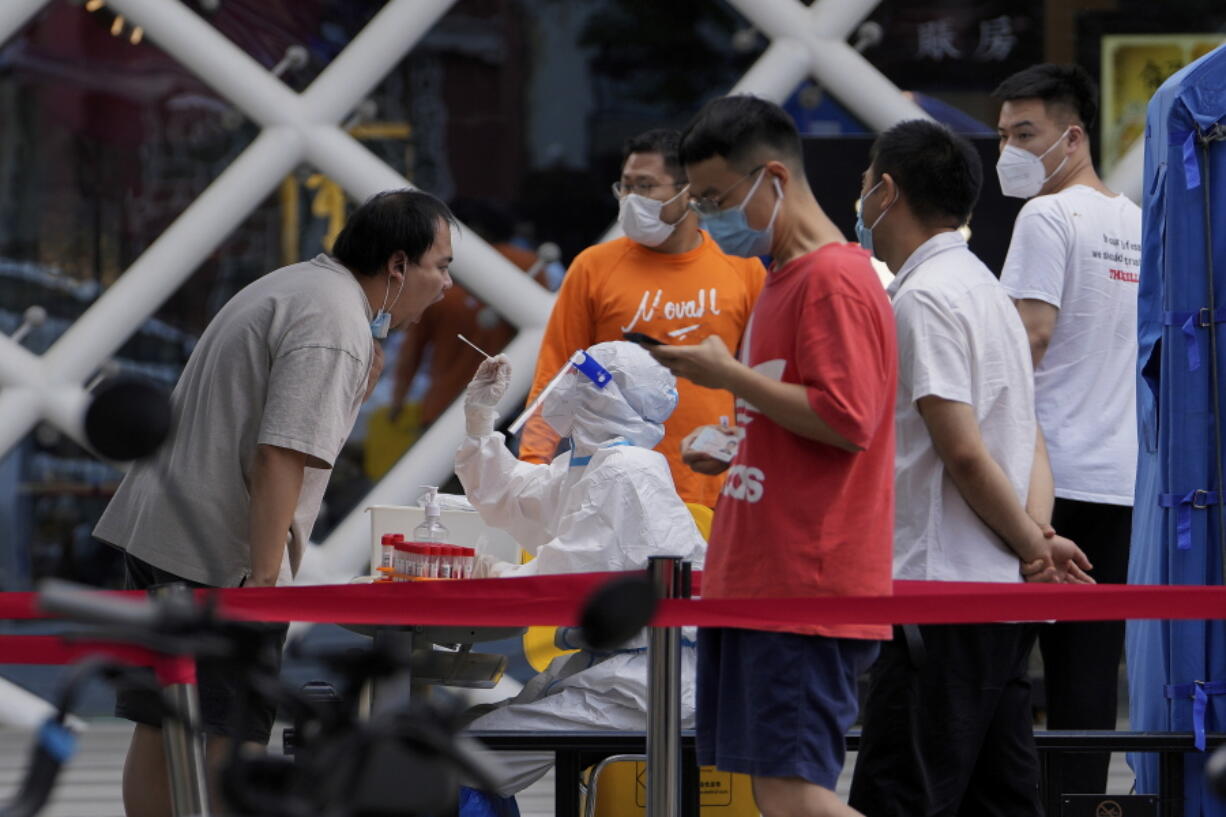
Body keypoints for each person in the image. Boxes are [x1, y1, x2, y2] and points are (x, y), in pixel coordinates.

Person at [92, 190, 456, 817]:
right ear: (399, 265)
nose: (447, 285)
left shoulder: (304, 285)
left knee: (162, 723)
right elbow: (279, 455)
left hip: (160, 532)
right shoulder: (336, 324)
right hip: (219, 557)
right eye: (441, 265)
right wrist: (264, 582)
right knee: (234, 737)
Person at [648, 95, 896, 817]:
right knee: (775, 788)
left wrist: (726, 376)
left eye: (720, 198)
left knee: (793, 791)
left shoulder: (832, 279)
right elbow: (804, 413)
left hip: (804, 582)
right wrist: (735, 439)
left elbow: (848, 419)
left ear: (775, 179)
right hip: (767, 578)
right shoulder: (786, 280)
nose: (712, 218)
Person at [843, 119, 1095, 817]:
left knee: (903, 794)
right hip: (999, 596)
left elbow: (960, 447)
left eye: (867, 179)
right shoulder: (985, 287)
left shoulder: (923, 298)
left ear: (888, 190)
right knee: (1000, 797)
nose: (860, 194)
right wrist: (1035, 536)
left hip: (938, 589)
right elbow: (1028, 436)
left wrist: (1029, 546)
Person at [455, 340, 706, 797]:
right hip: (615, 670)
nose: (560, 384)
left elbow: (563, 585)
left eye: (574, 376)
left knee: (466, 762)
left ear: (602, 394)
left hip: (647, 681)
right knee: (460, 742)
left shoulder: (625, 473)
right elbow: (510, 495)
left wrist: (493, 579)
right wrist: (479, 422)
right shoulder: (594, 465)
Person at [995, 63, 1141, 795]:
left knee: (993, 671)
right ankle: (1080, 806)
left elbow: (1030, 338)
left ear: (1073, 136)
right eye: (1002, 136)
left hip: (1039, 484)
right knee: (1088, 685)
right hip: (1121, 481)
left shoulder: (1045, 217)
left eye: (1026, 134)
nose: (1009, 152)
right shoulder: (1137, 224)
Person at [518, 128, 765, 509]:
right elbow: (555, 374)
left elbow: (762, 382)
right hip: (613, 493)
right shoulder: (593, 267)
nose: (632, 200)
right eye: (626, 187)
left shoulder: (743, 269)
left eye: (646, 186)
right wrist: (532, 467)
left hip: (714, 492)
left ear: (689, 191)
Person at [390, 197, 544, 429]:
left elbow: (412, 350)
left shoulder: (432, 272)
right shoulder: (526, 265)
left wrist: (398, 401)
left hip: (447, 405)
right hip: (511, 405)